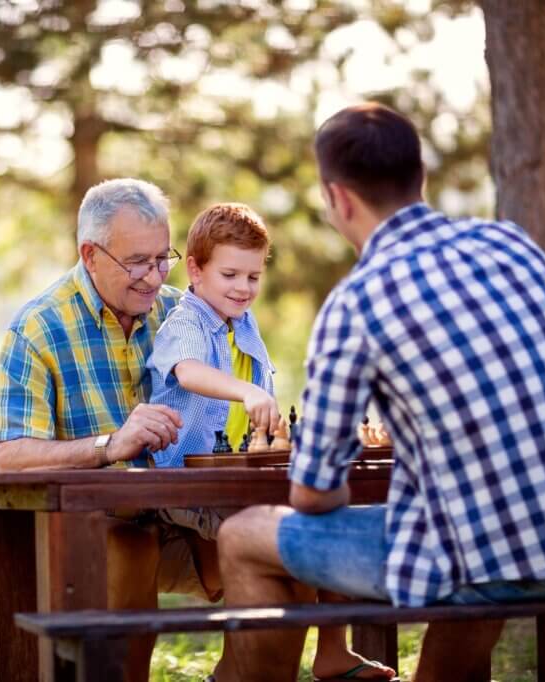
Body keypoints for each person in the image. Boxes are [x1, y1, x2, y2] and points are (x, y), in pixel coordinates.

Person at [216, 102, 545, 682]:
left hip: (483, 558)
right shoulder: (515, 247)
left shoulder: (358, 300)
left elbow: (312, 494)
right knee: (472, 534)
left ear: (339, 199)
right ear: (419, 177)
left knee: (242, 535)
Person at [0, 178, 231, 681]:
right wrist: (109, 446)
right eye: (136, 262)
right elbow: (10, 456)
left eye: (162, 258)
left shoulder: (180, 314)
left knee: (271, 542)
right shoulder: (38, 328)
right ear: (90, 254)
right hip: (85, 531)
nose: (153, 277)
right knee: (130, 544)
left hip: (183, 518)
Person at [149, 203, 395, 682]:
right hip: (188, 483)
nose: (244, 288)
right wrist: (246, 391)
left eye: (253, 276)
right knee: (278, 547)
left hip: (240, 477)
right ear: (195, 270)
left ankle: (332, 650)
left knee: (317, 520)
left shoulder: (244, 324)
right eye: (230, 274)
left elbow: (260, 413)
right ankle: (234, 671)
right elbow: (188, 371)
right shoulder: (186, 321)